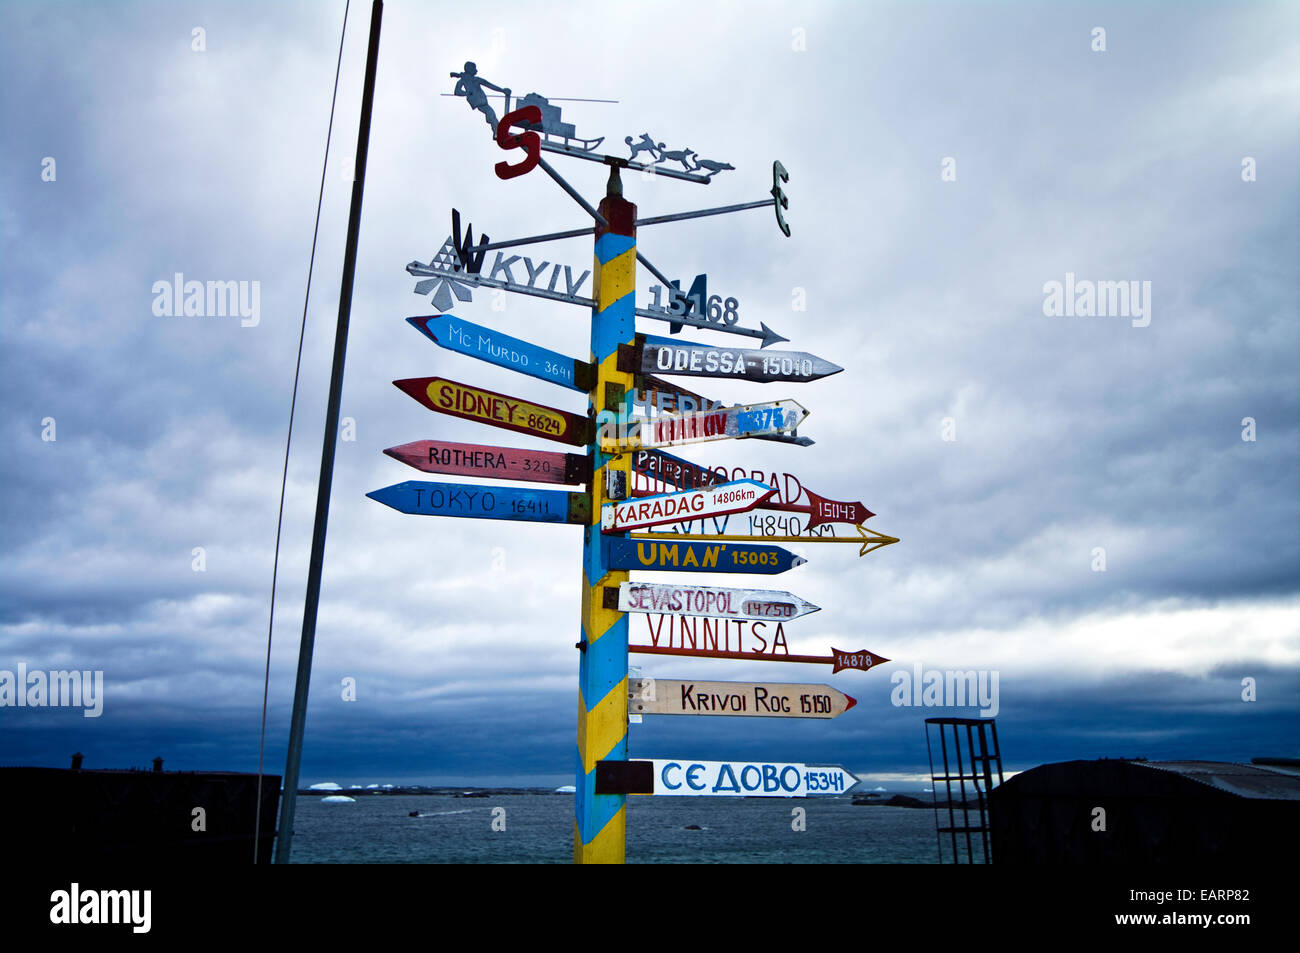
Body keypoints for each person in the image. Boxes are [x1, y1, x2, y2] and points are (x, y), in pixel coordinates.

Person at [451, 61, 510, 132]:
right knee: (490, 113)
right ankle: (497, 131)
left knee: (490, 114)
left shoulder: (476, 79)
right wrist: (467, 93)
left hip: (482, 100)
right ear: (469, 69)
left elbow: (489, 85)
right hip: (477, 101)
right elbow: (457, 91)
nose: (476, 70)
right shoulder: (463, 80)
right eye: (473, 68)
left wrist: (502, 90)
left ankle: (496, 130)